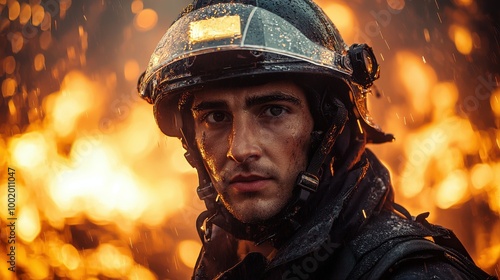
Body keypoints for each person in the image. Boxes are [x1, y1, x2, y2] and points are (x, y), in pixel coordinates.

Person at [137, 0, 497, 279]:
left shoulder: (413, 275)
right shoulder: (225, 258)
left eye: (273, 111)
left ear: (327, 129)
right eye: (215, 117)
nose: (240, 148)